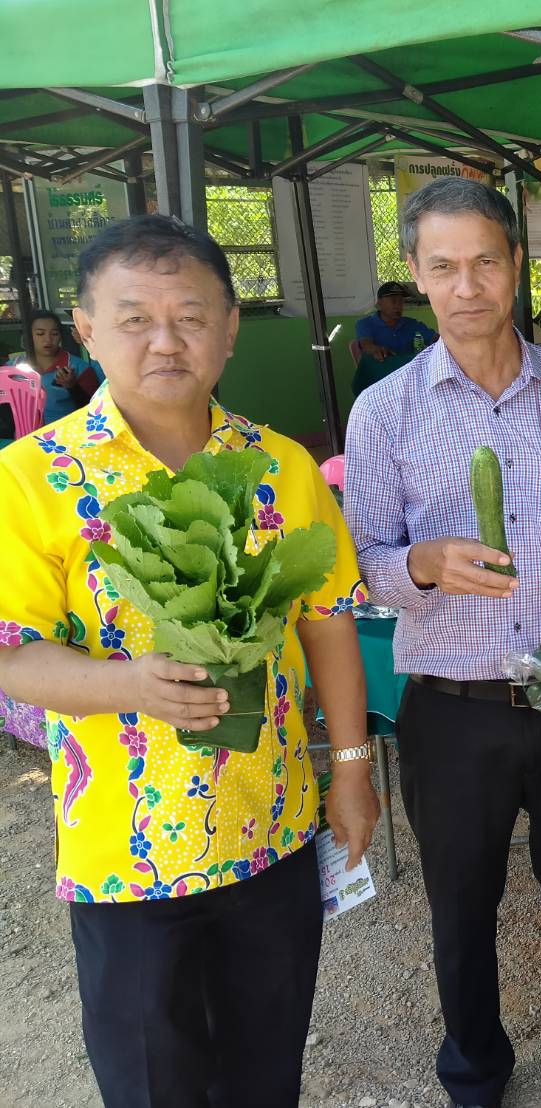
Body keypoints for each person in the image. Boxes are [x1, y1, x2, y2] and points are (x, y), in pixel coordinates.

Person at [0, 214, 379, 1108]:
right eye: (134, 318)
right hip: (124, 854)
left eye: (192, 316)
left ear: (231, 326)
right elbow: (10, 653)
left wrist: (353, 770)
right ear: (86, 329)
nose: (166, 341)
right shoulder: (32, 477)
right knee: (151, 1079)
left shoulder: (280, 467)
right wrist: (125, 686)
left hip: (273, 832)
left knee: (265, 1065)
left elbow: (327, 624)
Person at [344, 177, 541, 1108]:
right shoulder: (384, 411)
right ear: (418, 276)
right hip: (453, 705)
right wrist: (424, 563)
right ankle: (473, 1061)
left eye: (484, 261)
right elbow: (363, 565)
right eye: (444, 267)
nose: (466, 284)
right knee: (461, 905)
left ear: (515, 265)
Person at [7, 309, 104, 425]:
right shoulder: (12, 368)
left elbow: (96, 410)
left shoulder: (79, 368)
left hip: (65, 437)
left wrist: (73, 387)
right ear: (28, 336)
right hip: (25, 439)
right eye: (40, 334)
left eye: (54, 334)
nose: (48, 340)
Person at [355, 280, 439, 361]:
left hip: (408, 372)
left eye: (401, 301)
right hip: (380, 371)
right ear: (379, 302)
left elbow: (435, 338)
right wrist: (376, 350)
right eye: (393, 301)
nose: (398, 306)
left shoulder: (412, 324)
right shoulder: (365, 324)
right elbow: (366, 345)